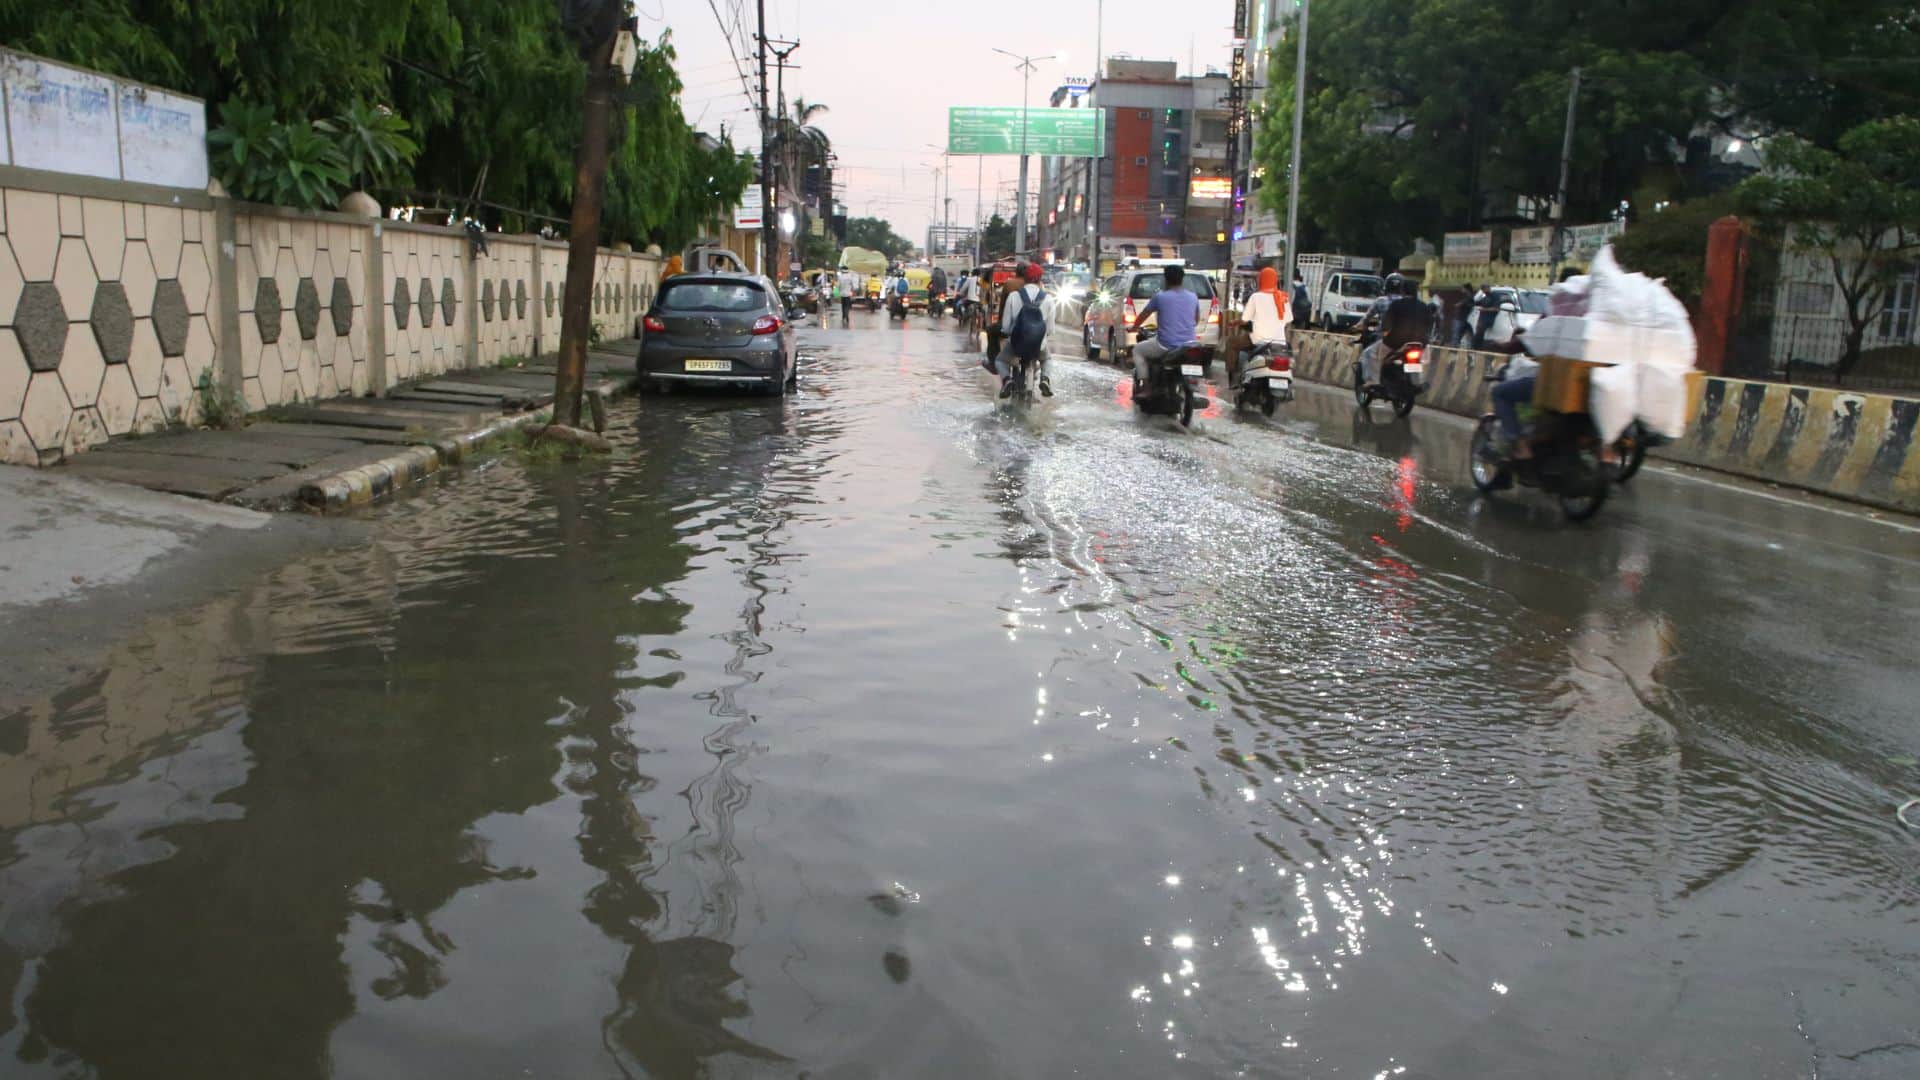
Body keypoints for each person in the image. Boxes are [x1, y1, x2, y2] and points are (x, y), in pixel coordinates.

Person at [1132, 264, 1203, 388]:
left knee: (1137, 350)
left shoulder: (1160, 297)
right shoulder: (1193, 297)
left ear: (1166, 279)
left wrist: (1134, 327)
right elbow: (1195, 321)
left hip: (1166, 345)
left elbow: (1144, 315)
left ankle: (1146, 386)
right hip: (1190, 343)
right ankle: (1194, 388)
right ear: (1182, 279)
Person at [1359, 273, 1435, 387]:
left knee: (1370, 354)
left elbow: (1386, 324)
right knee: (1422, 361)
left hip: (1395, 342)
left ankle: (1373, 381)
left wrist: (1385, 334)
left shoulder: (1395, 304)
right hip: (1420, 342)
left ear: (1403, 290)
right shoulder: (1423, 306)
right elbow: (1430, 324)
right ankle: (1418, 381)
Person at [995, 262, 1053, 397]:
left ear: (1023, 278)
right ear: (1040, 279)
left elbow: (1005, 327)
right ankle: (1045, 379)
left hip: (1016, 345)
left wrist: (1010, 333)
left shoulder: (1013, 296)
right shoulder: (1048, 299)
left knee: (1000, 360)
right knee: (1047, 360)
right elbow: (1050, 329)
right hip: (1038, 346)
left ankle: (1007, 380)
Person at [1235, 266, 1289, 385]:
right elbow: (1288, 320)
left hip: (1259, 341)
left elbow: (1244, 320)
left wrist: (1235, 323)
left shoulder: (1256, 297)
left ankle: (1236, 378)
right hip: (1280, 343)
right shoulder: (1283, 297)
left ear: (1261, 281)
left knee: (1233, 344)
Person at [1472, 283, 1500, 349]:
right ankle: (1476, 348)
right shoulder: (1485, 297)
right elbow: (1476, 302)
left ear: (1488, 288)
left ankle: (1477, 348)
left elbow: (1496, 309)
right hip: (1482, 318)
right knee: (1478, 333)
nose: (1483, 291)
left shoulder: (1495, 296)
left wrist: (1484, 309)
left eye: (1484, 289)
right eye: (1482, 289)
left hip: (1488, 318)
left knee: (1479, 333)